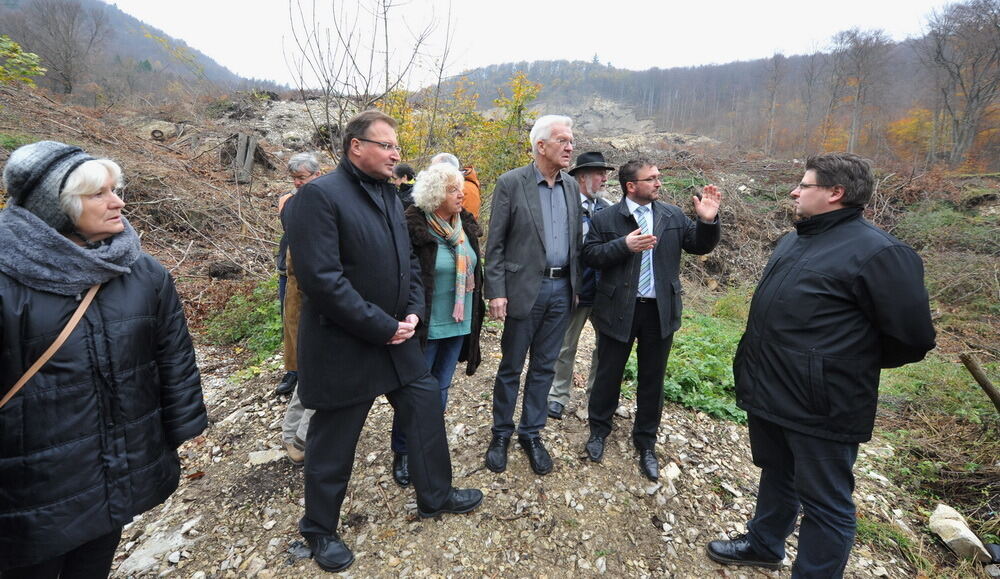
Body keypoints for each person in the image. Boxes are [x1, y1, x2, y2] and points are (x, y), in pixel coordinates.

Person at [705, 153, 935, 577]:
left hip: (824, 404)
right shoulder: (797, 238)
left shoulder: (882, 253)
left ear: (835, 193)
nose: (794, 190)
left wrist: (833, 365)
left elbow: (912, 339)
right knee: (778, 472)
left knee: (826, 504)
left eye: (804, 184)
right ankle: (764, 544)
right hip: (773, 389)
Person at [285, 110, 483, 573]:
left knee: (426, 409)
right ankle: (319, 531)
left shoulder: (392, 197)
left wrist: (412, 310)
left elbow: (409, 265)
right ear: (356, 146)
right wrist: (381, 324)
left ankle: (436, 495)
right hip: (344, 345)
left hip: (396, 339)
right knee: (334, 443)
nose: (396, 153)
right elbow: (322, 280)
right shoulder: (319, 196)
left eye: (397, 146)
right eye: (387, 145)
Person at [0, 141, 207, 577]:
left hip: (115, 472)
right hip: (30, 490)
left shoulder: (142, 271)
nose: (119, 202)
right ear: (55, 206)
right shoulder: (8, 278)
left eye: (115, 189)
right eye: (99, 194)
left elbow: (172, 355)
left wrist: (182, 427)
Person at [582, 159, 721, 481]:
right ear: (631, 186)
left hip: (659, 311)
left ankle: (645, 442)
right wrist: (623, 245)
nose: (659, 183)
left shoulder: (672, 215)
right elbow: (590, 255)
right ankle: (598, 431)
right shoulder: (606, 217)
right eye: (652, 179)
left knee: (652, 379)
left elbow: (699, 244)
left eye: (659, 177)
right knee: (608, 374)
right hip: (618, 308)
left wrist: (708, 222)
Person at [483, 114, 580, 476]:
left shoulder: (571, 187)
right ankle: (501, 434)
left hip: (561, 289)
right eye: (563, 141)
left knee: (544, 366)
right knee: (511, 366)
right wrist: (496, 291)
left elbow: (576, 242)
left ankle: (532, 433)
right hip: (525, 289)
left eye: (572, 141)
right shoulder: (512, 183)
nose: (570, 147)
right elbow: (496, 244)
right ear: (541, 146)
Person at [388, 163, 485, 486]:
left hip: (458, 322)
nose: (462, 195)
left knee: (441, 388)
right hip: (425, 324)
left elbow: (476, 270)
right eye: (453, 189)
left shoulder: (464, 226)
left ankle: (428, 443)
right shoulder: (412, 226)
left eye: (460, 189)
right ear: (435, 195)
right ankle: (402, 450)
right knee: (415, 391)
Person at [546, 151, 616, 421]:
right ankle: (558, 395)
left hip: (603, 291)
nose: (604, 178)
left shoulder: (608, 208)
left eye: (605, 173)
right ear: (582, 177)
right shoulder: (564, 207)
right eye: (600, 173)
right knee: (565, 345)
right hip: (575, 288)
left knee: (604, 348)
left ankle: (595, 397)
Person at [277, 154, 323, 463]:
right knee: (317, 370)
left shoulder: (310, 203)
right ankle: (300, 439)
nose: (297, 182)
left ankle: (293, 434)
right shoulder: (300, 205)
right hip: (309, 301)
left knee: (311, 369)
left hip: (307, 298)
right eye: (295, 178)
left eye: (302, 177)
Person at [429, 152, 481, 218]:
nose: (432, 173)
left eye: (435, 169)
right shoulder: (443, 186)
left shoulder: (468, 188)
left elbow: (469, 221)